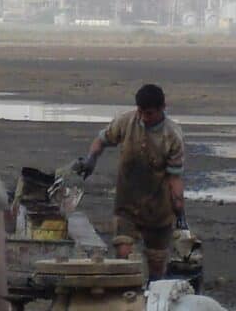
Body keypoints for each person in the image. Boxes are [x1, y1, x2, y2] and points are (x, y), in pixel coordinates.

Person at [75, 84, 186, 281]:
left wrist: (179, 210)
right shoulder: (127, 121)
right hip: (127, 205)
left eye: (149, 113)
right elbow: (101, 140)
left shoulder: (172, 136)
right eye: (141, 111)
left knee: (157, 264)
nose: (144, 117)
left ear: (162, 108)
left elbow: (174, 178)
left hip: (158, 210)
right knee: (123, 255)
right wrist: (91, 158)